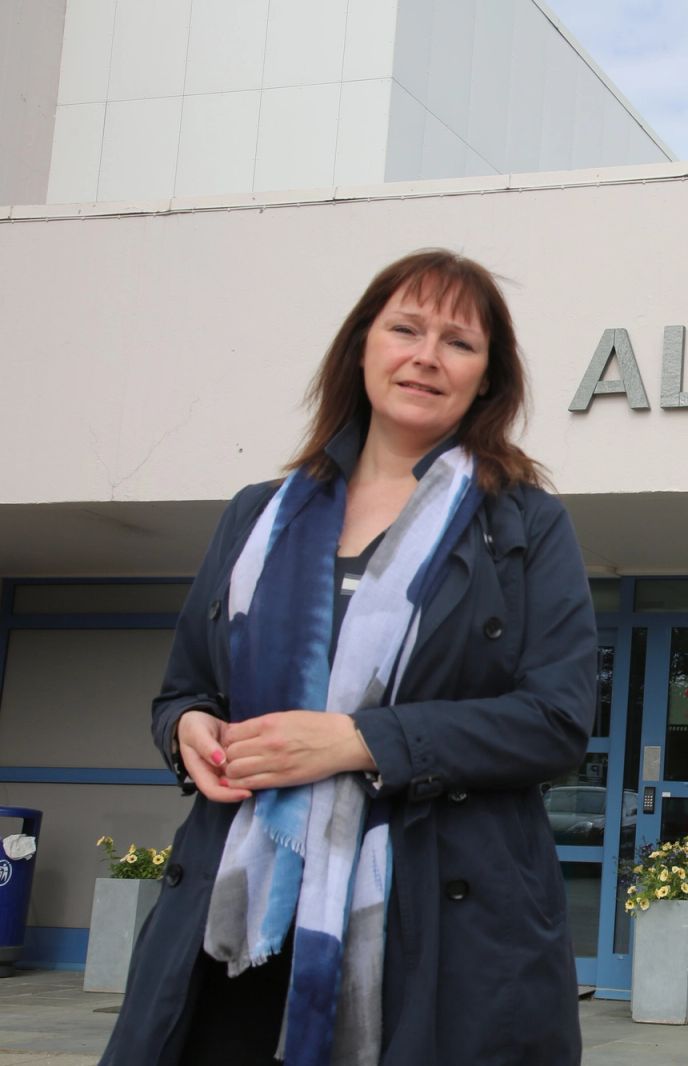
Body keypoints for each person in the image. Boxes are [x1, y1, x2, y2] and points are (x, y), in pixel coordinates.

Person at [102, 251, 597, 1066]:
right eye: (406, 329)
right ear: (362, 346)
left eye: (459, 343)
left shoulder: (524, 525)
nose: (427, 357)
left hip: (438, 923)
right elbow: (185, 688)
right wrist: (188, 728)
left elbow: (556, 721)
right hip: (237, 921)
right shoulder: (257, 516)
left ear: (488, 379)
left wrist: (359, 742)